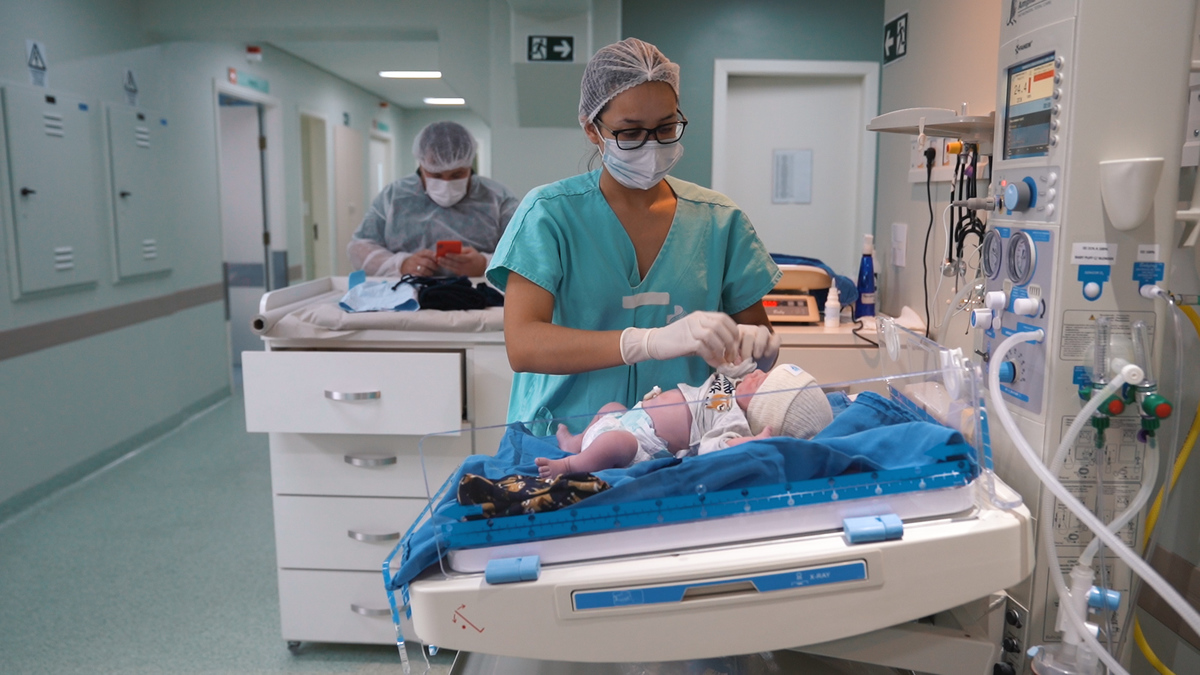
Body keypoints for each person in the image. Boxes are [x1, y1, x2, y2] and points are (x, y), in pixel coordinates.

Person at [486, 38, 783, 433]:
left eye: (666, 128)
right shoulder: (550, 214)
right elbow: (524, 345)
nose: (651, 145)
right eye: (630, 132)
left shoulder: (719, 221)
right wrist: (647, 343)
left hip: (683, 443)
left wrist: (758, 351)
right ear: (593, 129)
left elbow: (754, 343)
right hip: (563, 441)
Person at [536, 364, 832, 478]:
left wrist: (750, 443)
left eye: (762, 381)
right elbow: (718, 385)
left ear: (765, 407)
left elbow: (714, 447)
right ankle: (577, 443)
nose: (756, 373)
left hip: (639, 444)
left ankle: (570, 465)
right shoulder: (731, 390)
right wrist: (730, 366)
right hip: (629, 419)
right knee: (611, 408)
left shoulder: (734, 421)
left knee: (613, 443)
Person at [347, 121, 520, 278]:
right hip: (407, 293)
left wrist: (485, 265)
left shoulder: (498, 198)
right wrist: (402, 264)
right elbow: (359, 247)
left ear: (470, 166)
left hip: (481, 294)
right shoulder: (394, 196)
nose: (446, 184)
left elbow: (524, 250)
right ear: (421, 165)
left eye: (457, 175)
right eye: (436, 175)